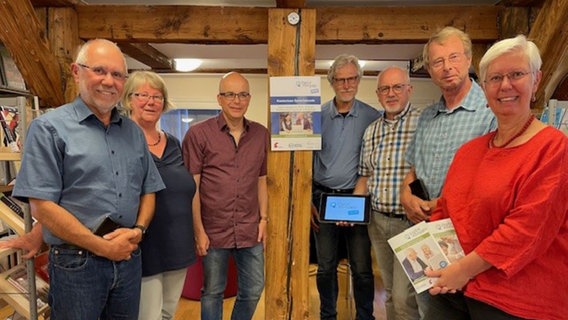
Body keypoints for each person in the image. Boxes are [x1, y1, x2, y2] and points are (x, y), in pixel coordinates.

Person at [11, 39, 165, 319]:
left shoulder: (132, 132)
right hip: (77, 266)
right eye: (99, 71)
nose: (109, 81)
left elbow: (148, 190)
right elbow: (41, 206)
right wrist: (104, 247)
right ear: (76, 71)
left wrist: (139, 230)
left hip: (128, 259)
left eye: (117, 75)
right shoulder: (49, 129)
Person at [423, 35, 568, 320]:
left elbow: (524, 232)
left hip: (516, 300)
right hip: (453, 291)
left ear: (536, 81)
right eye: (495, 78)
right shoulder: (469, 151)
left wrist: (461, 271)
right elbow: (445, 211)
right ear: (484, 87)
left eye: (516, 74)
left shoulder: (554, 148)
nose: (505, 86)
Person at [182, 71, 269, 320]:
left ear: (249, 98)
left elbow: (262, 179)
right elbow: (192, 187)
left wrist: (264, 219)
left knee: (253, 288)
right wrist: (198, 230)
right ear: (219, 99)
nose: (237, 100)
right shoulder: (198, 135)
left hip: (249, 228)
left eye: (242, 94)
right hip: (213, 229)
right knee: (212, 292)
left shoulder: (261, 134)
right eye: (230, 94)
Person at [400, 26, 496, 227]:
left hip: (466, 229)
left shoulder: (491, 112)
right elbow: (414, 170)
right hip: (422, 227)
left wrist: (444, 204)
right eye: (438, 62)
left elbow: (492, 182)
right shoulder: (427, 116)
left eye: (454, 57)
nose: (447, 67)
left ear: (468, 59)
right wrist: (405, 195)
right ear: (429, 70)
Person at [121, 71, 197, 320]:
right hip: (144, 243)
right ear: (128, 99)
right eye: (142, 95)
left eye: (157, 96)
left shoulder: (174, 143)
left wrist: (198, 233)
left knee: (167, 312)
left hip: (178, 242)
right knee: (148, 316)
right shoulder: (120, 141)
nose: (151, 102)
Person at [312, 54, 381, 320]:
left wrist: (355, 201)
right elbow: (306, 161)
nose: (346, 84)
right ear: (332, 83)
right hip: (323, 198)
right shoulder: (317, 117)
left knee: (362, 267)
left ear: (359, 80)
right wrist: (309, 201)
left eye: (352, 78)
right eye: (340, 80)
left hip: (357, 199)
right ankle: (327, 315)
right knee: (326, 266)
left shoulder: (372, 117)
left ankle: (366, 316)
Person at [353, 65, 424, 320]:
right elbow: (365, 176)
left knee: (407, 298)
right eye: (384, 88)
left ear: (409, 90)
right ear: (378, 93)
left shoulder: (422, 122)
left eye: (397, 87)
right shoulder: (371, 131)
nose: (390, 93)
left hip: (410, 223)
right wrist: (352, 212)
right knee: (392, 292)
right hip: (378, 222)